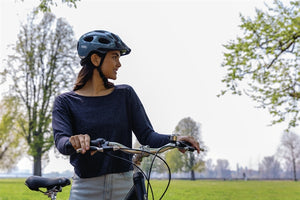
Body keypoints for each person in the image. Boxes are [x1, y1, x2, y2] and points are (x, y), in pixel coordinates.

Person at [52, 30, 201, 200]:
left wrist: (176, 139)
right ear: (95, 59)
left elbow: (147, 136)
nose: (119, 64)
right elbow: (62, 141)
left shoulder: (125, 95)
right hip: (86, 190)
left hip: (125, 187)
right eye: (114, 57)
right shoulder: (65, 102)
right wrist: (73, 141)